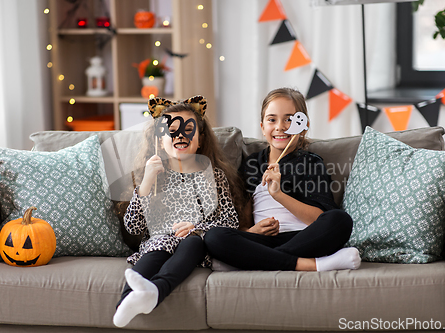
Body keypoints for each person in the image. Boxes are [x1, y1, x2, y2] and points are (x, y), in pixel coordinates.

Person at [113, 96, 243, 327]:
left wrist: (198, 228)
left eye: (188, 129)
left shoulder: (215, 176)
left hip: (196, 246)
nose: (180, 134)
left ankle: (155, 291)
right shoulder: (152, 178)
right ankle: (127, 301)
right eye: (171, 130)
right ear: (160, 140)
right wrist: (145, 184)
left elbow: (230, 222)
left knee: (192, 242)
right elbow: (133, 227)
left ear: (200, 139)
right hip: (158, 244)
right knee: (157, 248)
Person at [204, 87, 361, 272]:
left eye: (289, 119)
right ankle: (307, 265)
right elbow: (244, 222)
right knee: (214, 236)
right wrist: (252, 231)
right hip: (262, 241)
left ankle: (258, 260)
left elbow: (319, 219)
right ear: (262, 127)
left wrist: (279, 195)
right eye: (272, 120)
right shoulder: (252, 163)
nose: (280, 126)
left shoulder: (310, 162)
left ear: (302, 128)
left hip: (301, 239)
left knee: (340, 220)